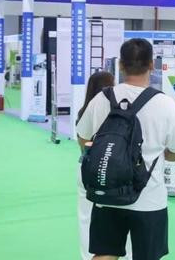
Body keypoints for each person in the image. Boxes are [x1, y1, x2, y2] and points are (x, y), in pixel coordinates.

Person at [76, 39, 175, 260]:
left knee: (104, 253)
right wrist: (164, 155)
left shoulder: (102, 99)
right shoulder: (165, 104)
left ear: (121, 65)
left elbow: (83, 139)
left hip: (107, 193)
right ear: (151, 65)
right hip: (149, 197)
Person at [76, 71, 132, 260]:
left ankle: (88, 256)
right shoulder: (121, 111)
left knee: (86, 217)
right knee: (122, 214)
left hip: (88, 170)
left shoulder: (85, 110)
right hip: (116, 170)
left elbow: (82, 141)